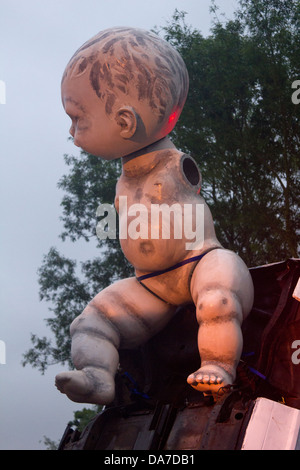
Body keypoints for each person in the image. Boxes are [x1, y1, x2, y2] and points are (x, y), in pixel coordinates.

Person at [55, 27, 254, 404]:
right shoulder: (125, 177)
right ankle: (98, 376)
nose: (72, 131)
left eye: (78, 119)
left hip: (201, 263)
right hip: (151, 284)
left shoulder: (174, 164)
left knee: (218, 297)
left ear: (125, 122)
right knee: (91, 321)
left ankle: (218, 364)